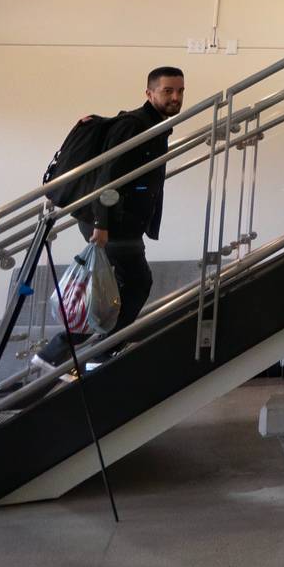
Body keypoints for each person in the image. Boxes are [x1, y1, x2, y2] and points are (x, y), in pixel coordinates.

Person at [33, 66, 185, 372]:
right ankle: (98, 353)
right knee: (138, 283)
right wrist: (102, 226)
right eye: (167, 91)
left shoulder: (154, 126)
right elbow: (107, 176)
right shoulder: (135, 126)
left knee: (112, 289)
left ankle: (60, 354)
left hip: (119, 221)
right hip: (110, 222)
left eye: (180, 91)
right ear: (149, 93)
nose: (175, 97)